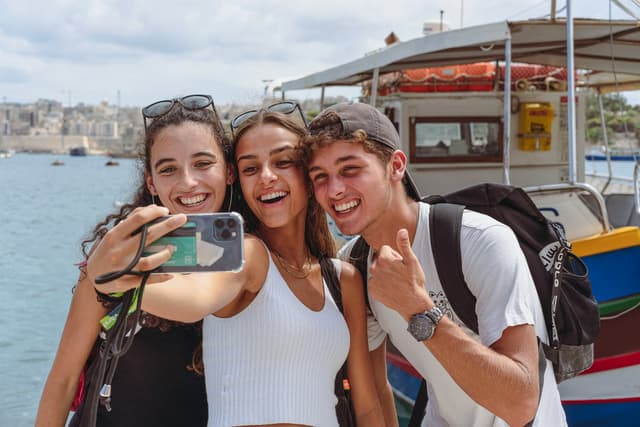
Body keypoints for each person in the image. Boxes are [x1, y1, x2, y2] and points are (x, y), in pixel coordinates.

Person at [83, 102, 387, 427]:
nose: (267, 177)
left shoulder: (344, 279)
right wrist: (109, 277)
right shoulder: (247, 254)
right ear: (237, 179)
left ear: (309, 173)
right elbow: (194, 302)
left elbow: (367, 406)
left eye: (283, 162)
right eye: (250, 168)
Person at [302, 101, 568, 427]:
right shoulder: (354, 264)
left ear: (396, 166)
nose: (334, 189)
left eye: (350, 169)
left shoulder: (479, 241)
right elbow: (374, 392)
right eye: (320, 176)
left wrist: (418, 310)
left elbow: (521, 404)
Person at [35, 94, 233, 427]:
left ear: (229, 171)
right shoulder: (115, 256)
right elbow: (63, 381)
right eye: (168, 169)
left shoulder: (250, 257)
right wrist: (101, 276)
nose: (187, 182)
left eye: (203, 163)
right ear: (151, 182)